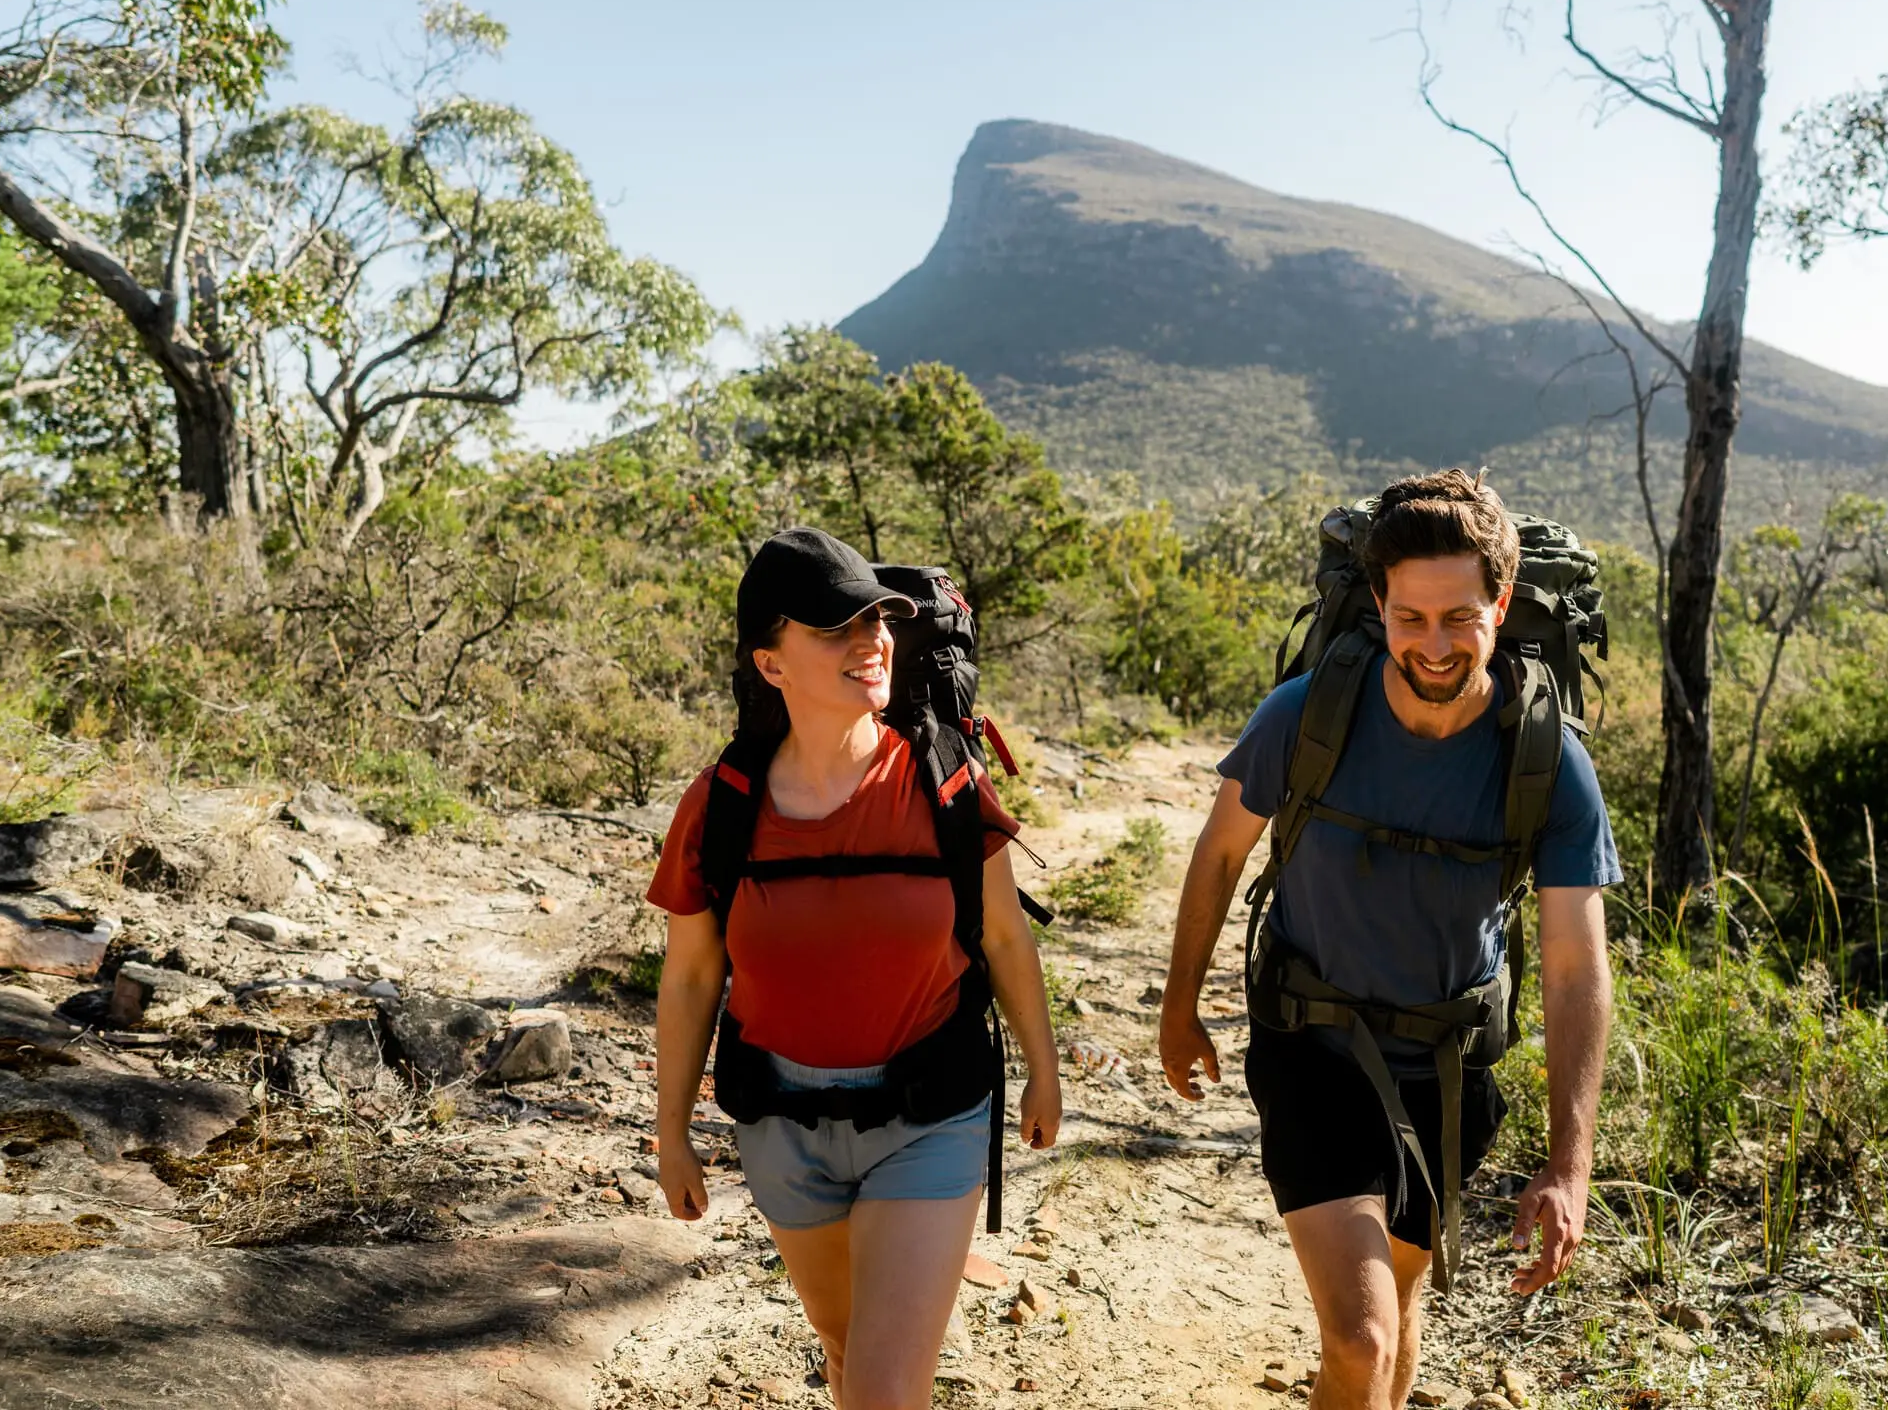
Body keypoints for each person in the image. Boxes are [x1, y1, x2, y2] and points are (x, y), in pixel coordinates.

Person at [1159, 470, 1617, 1410]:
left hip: (1452, 1074)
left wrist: (1570, 1165)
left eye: (1460, 617)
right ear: (1379, 603)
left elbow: (1576, 968)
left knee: (1401, 1306)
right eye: (1411, 619)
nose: (1436, 645)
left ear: (1503, 596)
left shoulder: (1547, 760)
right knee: (1362, 1340)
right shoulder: (1304, 717)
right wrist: (1178, 1009)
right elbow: (1216, 861)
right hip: (1312, 1048)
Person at [646, 527, 1063, 1410]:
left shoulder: (945, 782)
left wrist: (1042, 1073)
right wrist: (672, 1132)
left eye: (877, 620)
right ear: (770, 663)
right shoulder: (722, 804)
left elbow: (1002, 936)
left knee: (880, 1386)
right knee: (844, 1351)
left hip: (931, 1116)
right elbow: (689, 981)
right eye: (836, 627)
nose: (870, 640)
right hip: (782, 1128)